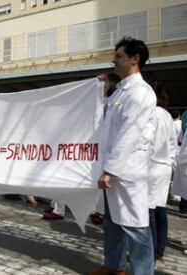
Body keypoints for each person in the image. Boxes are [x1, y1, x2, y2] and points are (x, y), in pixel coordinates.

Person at [87, 37, 156, 275]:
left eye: (118, 56)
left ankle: (142, 272)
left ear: (134, 59)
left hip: (126, 173)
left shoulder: (140, 93)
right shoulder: (119, 92)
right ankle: (114, 266)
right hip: (112, 170)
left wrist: (110, 170)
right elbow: (106, 121)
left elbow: (129, 134)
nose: (113, 60)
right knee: (112, 222)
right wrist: (103, 92)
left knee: (136, 227)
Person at [147, 81, 177, 262]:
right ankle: (160, 249)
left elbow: (147, 142)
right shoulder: (167, 116)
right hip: (165, 167)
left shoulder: (150, 114)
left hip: (151, 166)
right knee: (160, 209)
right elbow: (173, 143)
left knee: (148, 210)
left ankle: (149, 250)